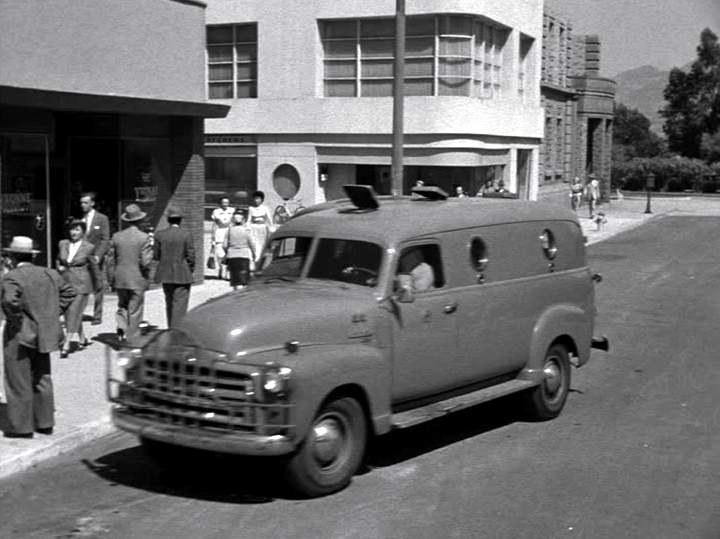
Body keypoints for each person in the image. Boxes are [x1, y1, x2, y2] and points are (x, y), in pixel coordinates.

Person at [1, 236, 75, 438]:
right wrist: (51, 313)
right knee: (42, 376)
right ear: (31, 256)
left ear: (13, 257)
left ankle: (22, 427)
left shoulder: (12, 277)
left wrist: (18, 321)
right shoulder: (49, 273)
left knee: (18, 379)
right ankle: (45, 423)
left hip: (20, 334)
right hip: (45, 332)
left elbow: (9, 301)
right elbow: (69, 292)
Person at [109, 204, 153, 342]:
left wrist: (111, 278)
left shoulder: (116, 237)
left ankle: (122, 328)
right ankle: (132, 339)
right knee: (135, 310)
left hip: (120, 277)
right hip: (137, 278)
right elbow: (146, 262)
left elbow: (110, 261)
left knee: (122, 305)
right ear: (139, 220)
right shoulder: (144, 237)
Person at [56, 220, 95, 357]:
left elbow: (94, 266)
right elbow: (58, 260)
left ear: (83, 232)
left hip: (81, 284)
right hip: (65, 282)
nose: (74, 232)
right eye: (72, 229)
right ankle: (83, 339)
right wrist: (59, 267)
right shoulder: (63, 244)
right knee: (70, 312)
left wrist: (99, 285)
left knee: (73, 311)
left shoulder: (89, 247)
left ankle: (66, 344)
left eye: (77, 230)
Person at [153, 205, 196, 327]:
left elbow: (156, 256)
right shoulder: (186, 235)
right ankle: (176, 332)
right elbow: (191, 256)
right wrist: (189, 269)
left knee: (169, 302)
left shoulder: (159, 235)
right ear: (180, 220)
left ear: (168, 219)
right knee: (180, 305)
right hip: (182, 273)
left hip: (165, 273)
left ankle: (171, 327)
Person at [80, 192, 110, 325]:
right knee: (82, 285)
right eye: (81, 203)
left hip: (95, 257)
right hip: (83, 258)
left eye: (85, 202)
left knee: (98, 286)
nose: (83, 205)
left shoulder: (102, 219)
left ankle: (97, 315)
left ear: (92, 203)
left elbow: (105, 239)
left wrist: (99, 255)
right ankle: (79, 312)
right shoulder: (81, 219)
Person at [223, 209, 256, 290]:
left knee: (235, 280)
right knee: (244, 281)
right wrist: (254, 254)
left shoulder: (229, 231)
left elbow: (224, 245)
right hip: (244, 256)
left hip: (232, 257)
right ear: (243, 220)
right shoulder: (247, 231)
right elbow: (252, 244)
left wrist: (227, 252)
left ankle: (235, 295)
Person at [210, 196, 235, 280]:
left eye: (226, 202)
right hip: (219, 233)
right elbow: (217, 224)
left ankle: (227, 272)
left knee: (229, 253)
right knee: (219, 253)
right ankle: (220, 268)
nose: (225, 204)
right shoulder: (216, 212)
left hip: (229, 233)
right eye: (223, 202)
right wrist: (212, 238)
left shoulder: (232, 210)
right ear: (220, 203)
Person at [247, 190, 273, 268]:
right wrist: (247, 228)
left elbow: (269, 219)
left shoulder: (265, 208)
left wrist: (271, 228)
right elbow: (249, 220)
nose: (256, 200)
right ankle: (254, 263)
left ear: (261, 200)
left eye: (258, 199)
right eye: (255, 198)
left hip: (262, 229)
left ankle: (261, 264)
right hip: (254, 228)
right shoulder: (251, 208)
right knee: (254, 245)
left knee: (262, 245)